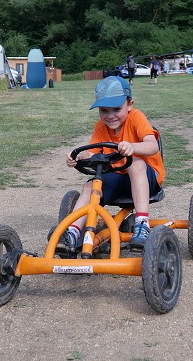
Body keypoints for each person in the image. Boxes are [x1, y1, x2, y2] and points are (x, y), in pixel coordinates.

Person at [58, 76, 165, 255]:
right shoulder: (101, 127)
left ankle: (142, 223)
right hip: (118, 179)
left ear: (130, 104)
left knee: (135, 163)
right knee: (90, 185)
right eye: (104, 110)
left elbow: (153, 146)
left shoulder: (136, 118)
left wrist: (133, 147)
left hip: (147, 180)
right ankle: (72, 232)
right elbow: (92, 152)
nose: (110, 116)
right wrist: (77, 155)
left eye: (116, 109)